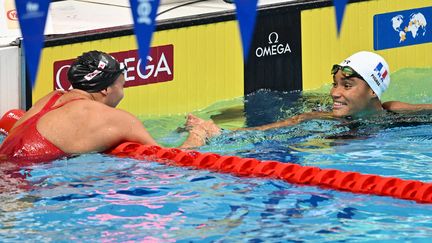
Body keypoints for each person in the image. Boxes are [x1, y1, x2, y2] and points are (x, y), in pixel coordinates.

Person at [0, 50, 220, 163]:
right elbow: (170, 159)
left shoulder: (51, 97)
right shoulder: (115, 118)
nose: (123, 90)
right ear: (105, 89)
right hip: (23, 182)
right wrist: (199, 134)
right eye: (121, 84)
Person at [235, 51, 432, 131]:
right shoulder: (325, 118)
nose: (334, 93)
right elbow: (279, 126)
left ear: (373, 91)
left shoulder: (394, 110)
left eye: (347, 85)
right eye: (334, 84)